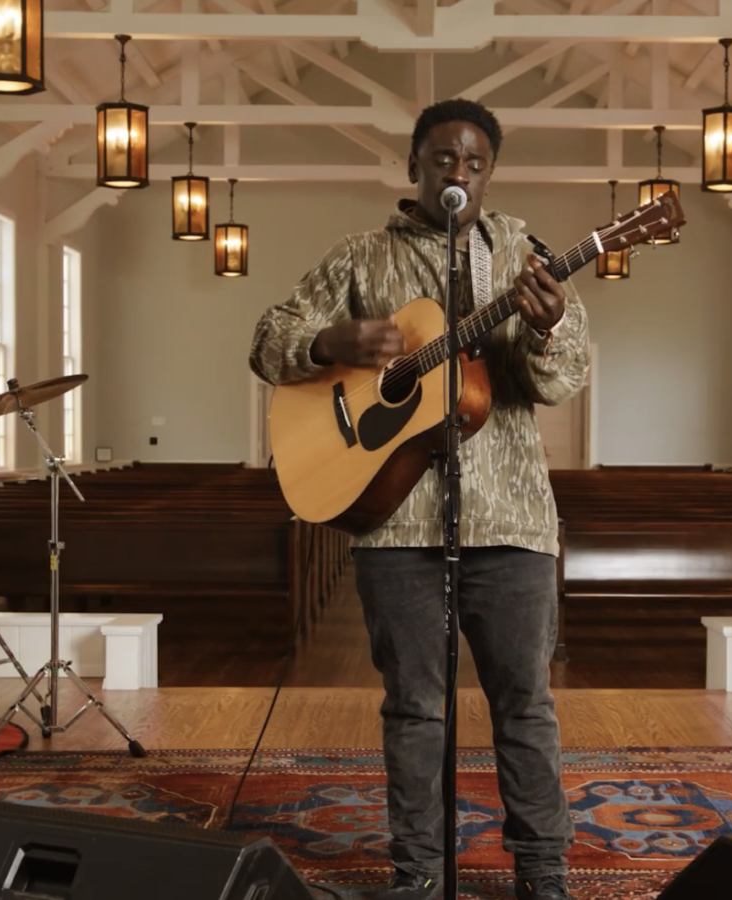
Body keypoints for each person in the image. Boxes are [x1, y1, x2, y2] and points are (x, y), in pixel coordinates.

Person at [248, 99, 590, 900]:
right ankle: (418, 876)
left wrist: (547, 327)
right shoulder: (360, 257)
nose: (459, 174)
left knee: (526, 707)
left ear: (490, 175)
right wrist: (328, 344)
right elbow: (269, 336)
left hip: (511, 521)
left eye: (475, 163)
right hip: (395, 523)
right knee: (414, 710)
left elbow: (561, 379)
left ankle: (543, 873)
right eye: (443, 159)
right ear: (414, 167)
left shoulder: (523, 256)